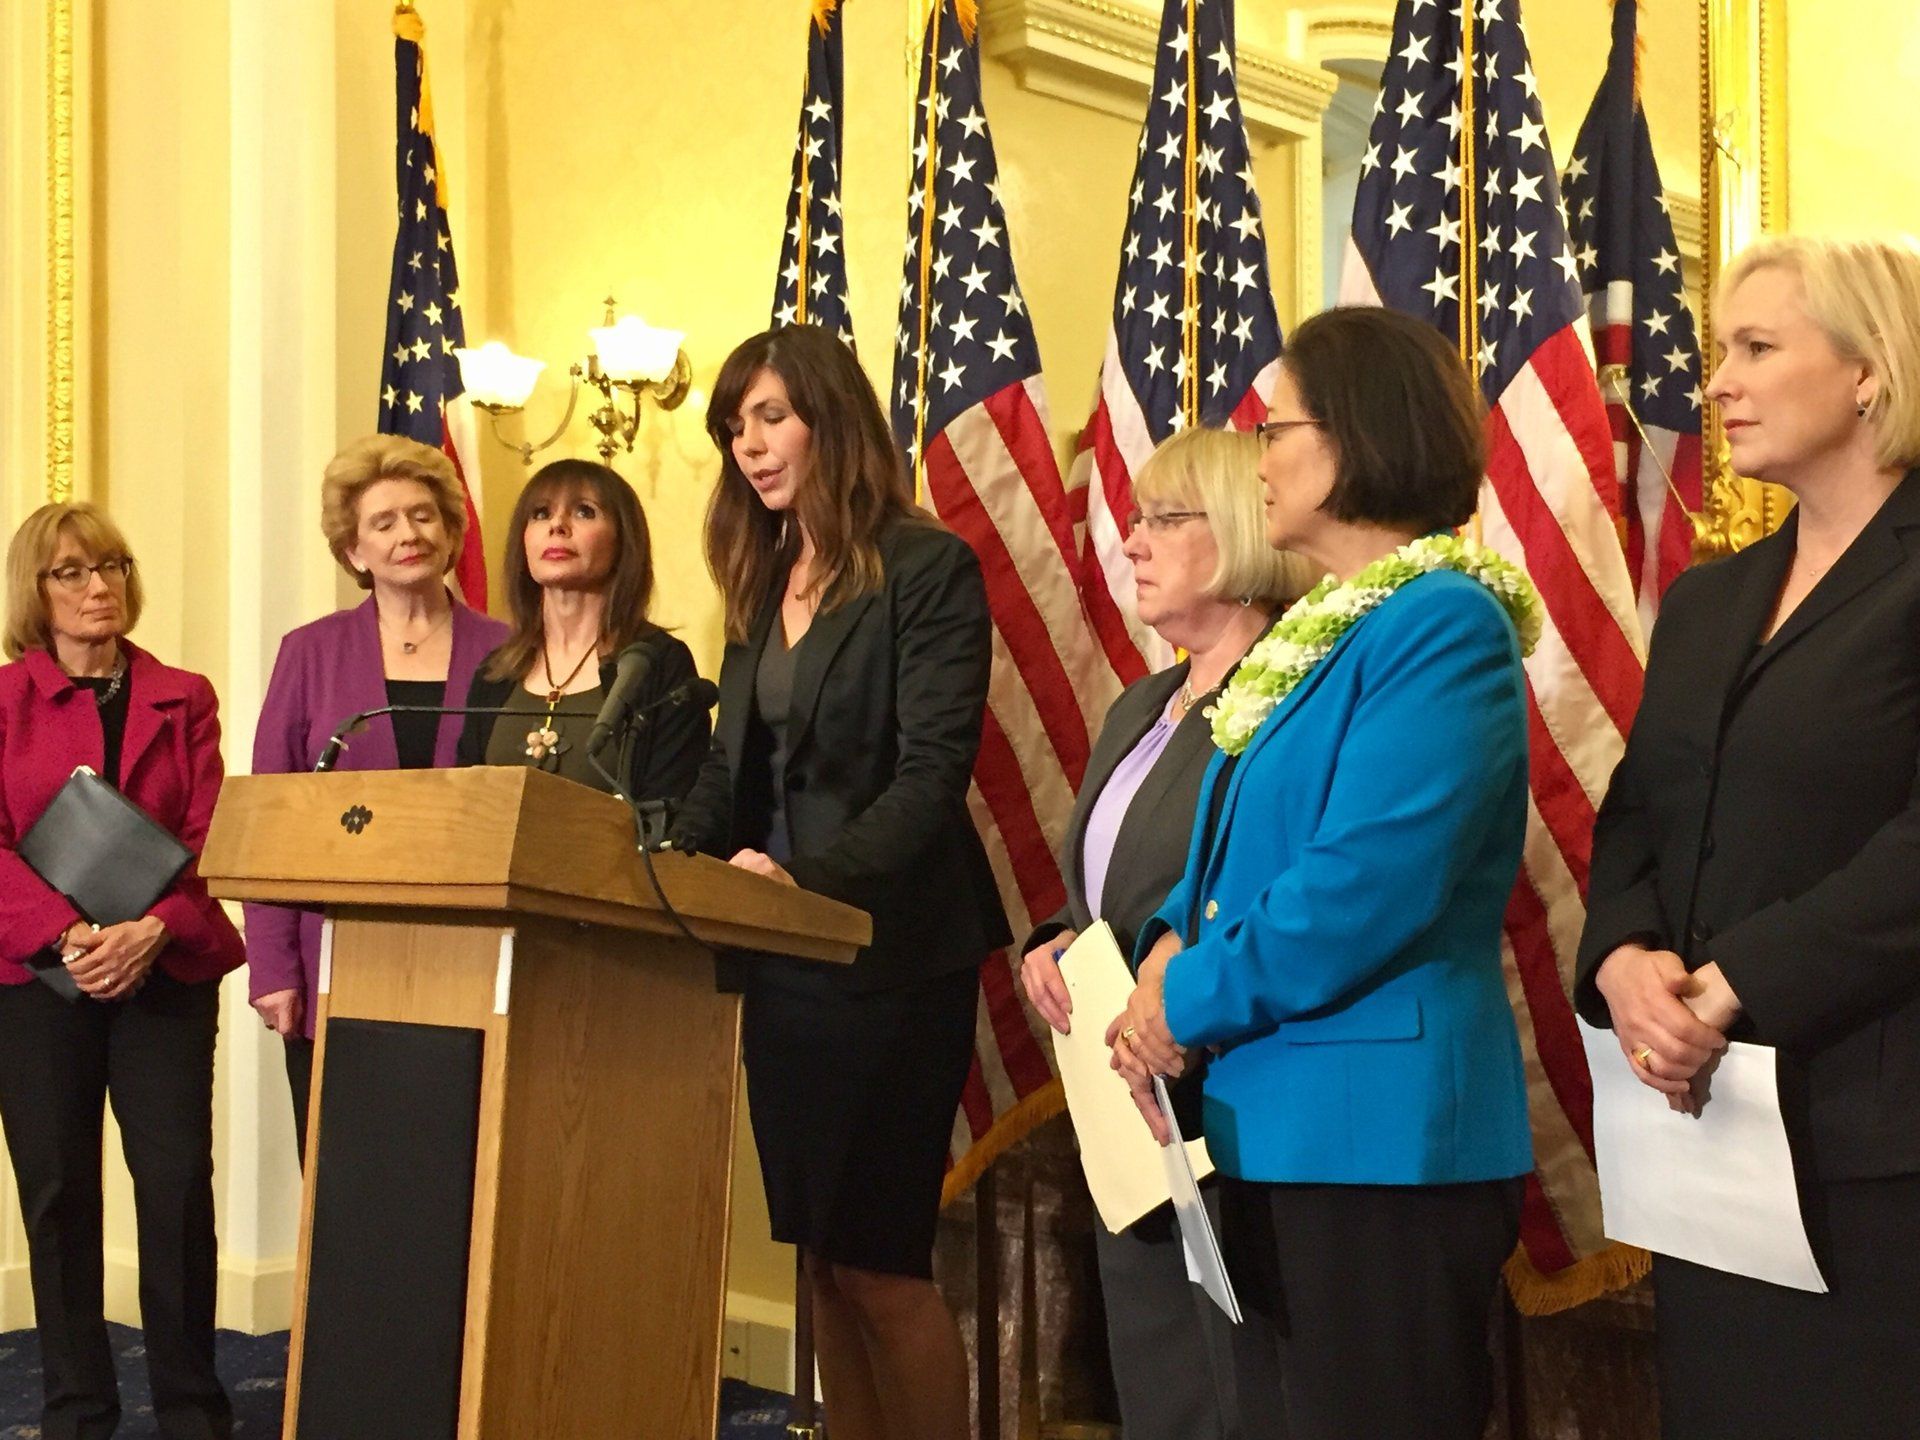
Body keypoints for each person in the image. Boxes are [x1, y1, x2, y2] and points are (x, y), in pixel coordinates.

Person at [1111, 305, 1539, 1440]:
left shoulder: (1442, 623)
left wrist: (1182, 997)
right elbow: (1234, 851)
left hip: (1383, 1145)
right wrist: (1166, 939)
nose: (1257, 457)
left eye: (1276, 429)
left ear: (1355, 438)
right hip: (1272, 1124)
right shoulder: (1322, 635)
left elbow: (1365, 882)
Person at [1575, 233, 1920, 1438]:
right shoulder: (1711, 596)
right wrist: (1624, 958)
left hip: (1880, 1148)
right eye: (1723, 349)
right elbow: (1640, 812)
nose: (1717, 381)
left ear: (1870, 370)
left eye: (1757, 348)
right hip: (1707, 1136)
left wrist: (1735, 983)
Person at [672, 324, 1007, 1440]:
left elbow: (930, 778)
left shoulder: (925, 566)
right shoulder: (762, 578)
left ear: (832, 418)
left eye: (771, 417)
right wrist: (665, 862)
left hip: (888, 955)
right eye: (735, 427)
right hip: (781, 963)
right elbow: (729, 767)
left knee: (879, 1261)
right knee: (820, 1259)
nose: (750, 445)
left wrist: (801, 879)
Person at [1017, 425, 1313, 1440]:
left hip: (1227, 1091)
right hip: (1127, 1111)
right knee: (1162, 1394)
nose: (1132, 542)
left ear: (1236, 530)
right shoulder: (1143, 703)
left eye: (1162, 520)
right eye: (1133, 520)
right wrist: (1054, 941)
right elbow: (1107, 878)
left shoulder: (1286, 696)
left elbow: (1265, 884)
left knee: (1235, 1395)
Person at [0, 501, 245, 1440]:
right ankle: (76, 1411)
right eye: (71, 571)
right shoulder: (5, 701)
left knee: (176, 1188)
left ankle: (191, 1410)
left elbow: (211, 838)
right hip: (37, 982)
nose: (98, 586)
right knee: (58, 1193)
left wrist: (151, 930)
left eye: (112, 566)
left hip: (164, 973)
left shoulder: (185, 695)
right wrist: (68, 935)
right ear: (36, 589)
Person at [246, 434, 509, 1161]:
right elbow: (270, 818)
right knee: (346, 1169)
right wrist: (273, 967)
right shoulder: (309, 652)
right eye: (384, 522)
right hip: (335, 951)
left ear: (450, 530)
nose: (408, 535)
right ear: (354, 551)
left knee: (456, 1163)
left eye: (423, 515)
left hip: (470, 949)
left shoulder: (510, 650)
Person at [456, 458, 708, 805]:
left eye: (584, 512)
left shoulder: (657, 663)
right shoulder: (495, 671)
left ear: (623, 541)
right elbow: (466, 804)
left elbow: (672, 806)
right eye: (541, 513)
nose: (557, 525)